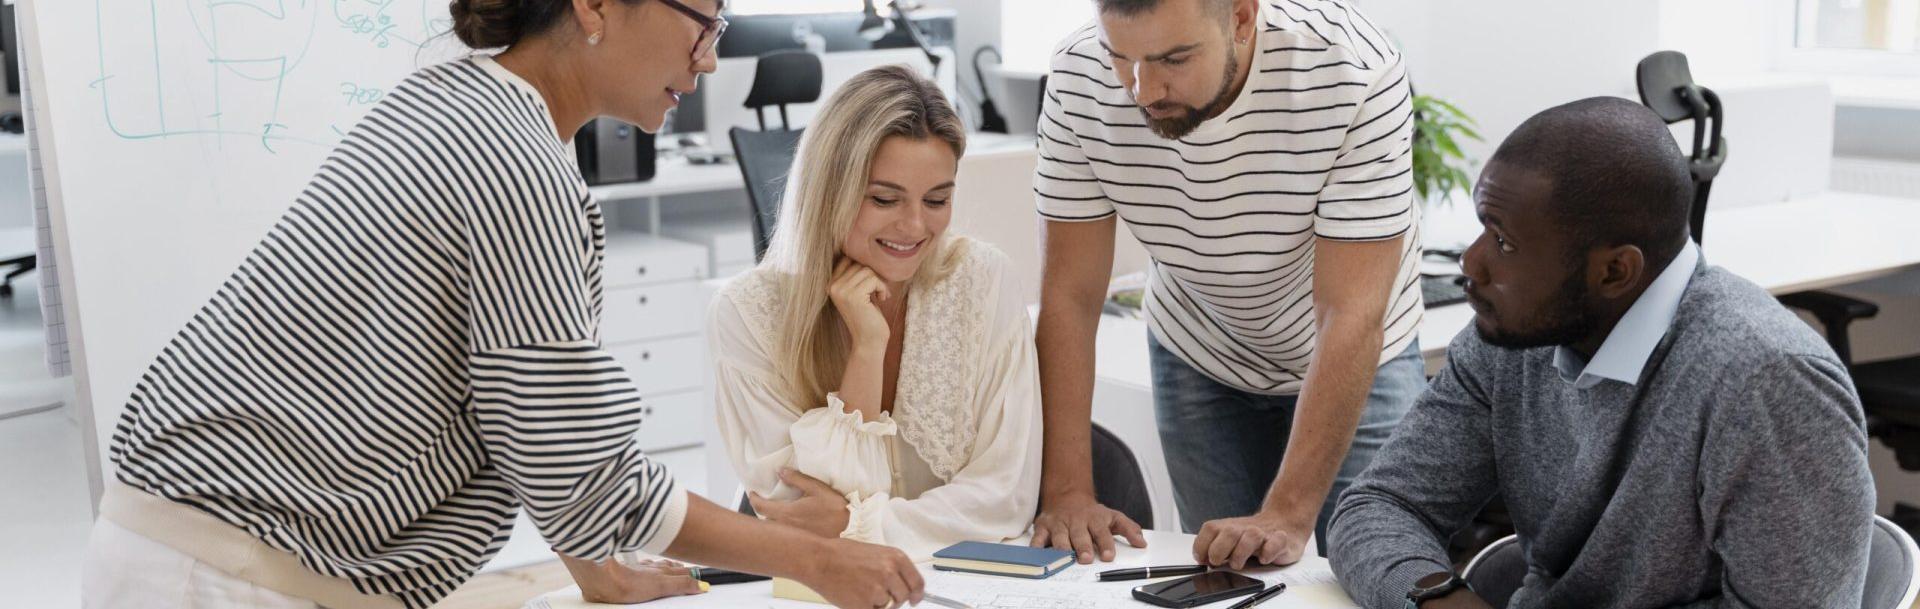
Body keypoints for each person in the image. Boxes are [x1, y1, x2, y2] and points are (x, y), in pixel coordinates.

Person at [79, 1, 927, 608]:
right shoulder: (520, 166)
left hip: (193, 541)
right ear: (595, 6)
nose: (707, 58)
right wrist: (818, 558)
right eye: (703, 24)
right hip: (230, 567)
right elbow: (586, 472)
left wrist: (594, 569)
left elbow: (519, 415)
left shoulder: (452, 100)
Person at [1326, 97, 1875, 608]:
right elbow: (1379, 507)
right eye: (1481, 229)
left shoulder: (1767, 382)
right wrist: (1438, 599)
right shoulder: (1511, 340)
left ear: (1615, 271)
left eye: (1504, 242)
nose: (1471, 263)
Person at [1030, 0, 1425, 567]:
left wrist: (1287, 515)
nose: (1142, 90)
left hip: (1357, 354)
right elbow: (1069, 296)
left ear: (1241, 17)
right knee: (1225, 578)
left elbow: (1351, 312)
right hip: (1200, 348)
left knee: (1377, 569)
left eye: (1174, 59)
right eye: (1122, 58)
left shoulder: (1354, 70)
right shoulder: (1077, 77)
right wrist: (1067, 494)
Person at [709, 65, 1044, 561]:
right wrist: (867, 349)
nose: (913, 226)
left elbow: (1004, 498)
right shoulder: (747, 314)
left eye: (937, 200)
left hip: (965, 586)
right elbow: (797, 511)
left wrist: (857, 523)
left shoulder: (984, 281)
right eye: (884, 199)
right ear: (829, 192)